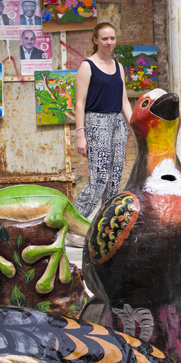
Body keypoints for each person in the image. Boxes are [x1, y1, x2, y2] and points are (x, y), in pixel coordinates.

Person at [74, 21, 132, 217]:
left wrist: (134, 127)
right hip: (96, 122)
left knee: (114, 178)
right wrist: (80, 135)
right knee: (99, 177)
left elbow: (124, 99)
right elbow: (80, 103)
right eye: (105, 38)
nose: (109, 42)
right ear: (95, 40)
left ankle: (104, 223)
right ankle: (75, 220)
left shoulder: (118, 66)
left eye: (112, 38)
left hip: (118, 123)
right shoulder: (87, 66)